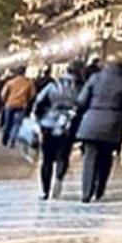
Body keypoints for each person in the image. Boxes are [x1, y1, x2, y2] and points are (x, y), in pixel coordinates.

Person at [75, 55, 122, 203]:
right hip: (113, 123)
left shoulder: (95, 78)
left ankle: (86, 193)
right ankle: (99, 189)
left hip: (91, 121)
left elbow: (82, 100)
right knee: (106, 157)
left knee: (89, 158)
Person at [34, 65, 82, 200]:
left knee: (47, 159)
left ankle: (44, 190)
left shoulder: (52, 86)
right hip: (68, 125)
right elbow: (82, 105)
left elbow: (38, 101)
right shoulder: (79, 88)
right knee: (63, 155)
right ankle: (59, 178)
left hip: (49, 124)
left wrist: (39, 118)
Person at [0, 67, 37, 150]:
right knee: (17, 124)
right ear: (24, 72)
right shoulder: (29, 83)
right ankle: (12, 140)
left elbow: (3, 94)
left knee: (7, 123)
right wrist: (26, 100)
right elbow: (32, 95)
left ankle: (4, 139)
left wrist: (5, 101)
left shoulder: (10, 82)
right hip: (22, 105)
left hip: (10, 104)